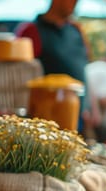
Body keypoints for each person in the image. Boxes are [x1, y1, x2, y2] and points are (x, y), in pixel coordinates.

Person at [15, 0, 89, 133]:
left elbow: (83, 69)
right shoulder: (31, 30)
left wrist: (89, 108)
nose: (76, 4)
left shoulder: (76, 30)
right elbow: (18, 76)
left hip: (77, 116)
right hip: (46, 122)